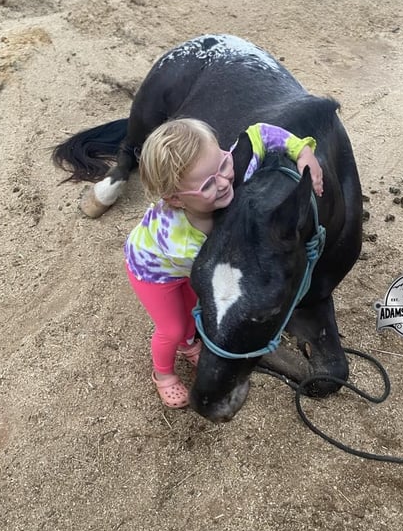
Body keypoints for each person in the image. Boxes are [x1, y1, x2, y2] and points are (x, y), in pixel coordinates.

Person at [124, 118, 323, 408]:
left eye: (224, 164)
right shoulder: (181, 243)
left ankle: (189, 345)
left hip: (183, 269)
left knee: (191, 312)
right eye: (207, 185)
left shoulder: (228, 173)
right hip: (153, 271)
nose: (223, 182)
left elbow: (259, 133)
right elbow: (220, 284)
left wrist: (302, 151)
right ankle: (164, 374)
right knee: (173, 327)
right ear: (176, 199)